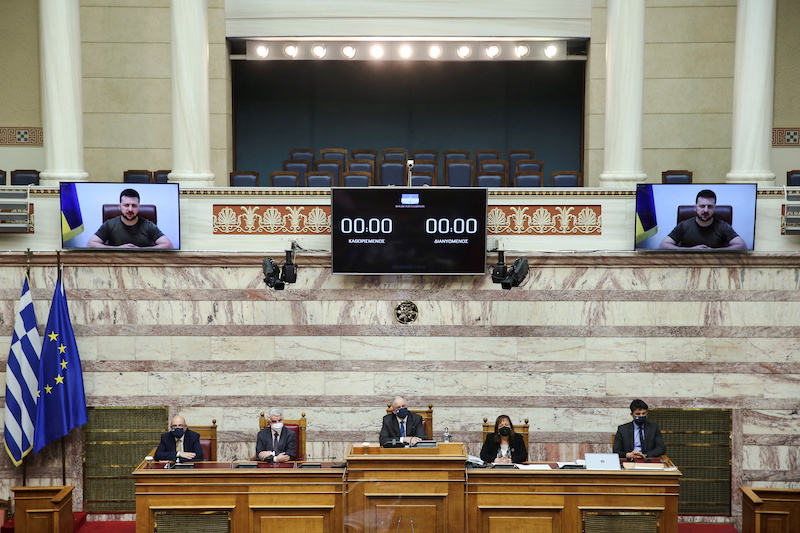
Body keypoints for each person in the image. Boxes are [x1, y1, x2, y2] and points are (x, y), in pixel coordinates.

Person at [658, 189, 746, 250]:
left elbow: (742, 246)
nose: (706, 210)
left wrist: (713, 251)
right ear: (695, 207)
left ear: (714, 208)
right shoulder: (684, 225)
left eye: (710, 206)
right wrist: (690, 250)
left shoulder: (722, 226)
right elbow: (663, 245)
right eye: (702, 206)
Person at [87, 188, 174, 249]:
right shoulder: (110, 224)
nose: (130, 209)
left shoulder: (148, 225)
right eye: (126, 205)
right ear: (119, 206)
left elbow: (168, 245)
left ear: (138, 207)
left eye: (134, 206)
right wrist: (118, 249)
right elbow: (90, 244)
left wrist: (140, 250)